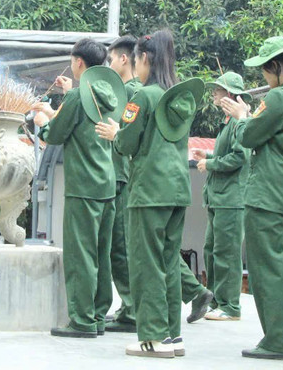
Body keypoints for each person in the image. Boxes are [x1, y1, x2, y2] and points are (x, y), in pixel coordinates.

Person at [96, 31, 204, 359]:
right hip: (177, 191)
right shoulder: (179, 99)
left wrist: (117, 133)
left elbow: (129, 144)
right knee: (170, 263)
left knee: (146, 264)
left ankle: (153, 338)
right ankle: (172, 336)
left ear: (145, 58)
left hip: (148, 191)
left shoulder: (143, 96)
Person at [229, 36, 283, 361]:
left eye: (264, 70)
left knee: (268, 270)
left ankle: (277, 339)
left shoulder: (278, 97)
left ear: (276, 66)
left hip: (268, 193)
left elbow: (250, 135)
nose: (263, 77)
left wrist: (242, 116)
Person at [32, 38, 125, 338]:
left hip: (83, 186)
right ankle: (98, 315)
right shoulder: (111, 93)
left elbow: (56, 134)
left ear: (79, 63)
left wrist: (43, 121)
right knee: (100, 252)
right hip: (107, 184)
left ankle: (82, 320)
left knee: (81, 254)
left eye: (72, 60)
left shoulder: (76, 97)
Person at [190, 71, 251, 321]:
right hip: (218, 197)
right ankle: (216, 300)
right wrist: (209, 156)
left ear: (229, 94)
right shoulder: (228, 123)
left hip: (231, 199)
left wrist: (211, 165)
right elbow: (229, 155)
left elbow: (240, 157)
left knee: (227, 253)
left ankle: (231, 306)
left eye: (218, 89)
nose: (213, 93)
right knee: (212, 250)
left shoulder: (239, 122)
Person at [104, 35, 143, 333]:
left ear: (124, 59)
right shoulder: (126, 91)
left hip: (123, 176)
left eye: (111, 59)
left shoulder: (132, 93)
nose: (110, 64)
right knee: (120, 246)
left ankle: (131, 309)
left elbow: (127, 137)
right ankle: (128, 306)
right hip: (119, 175)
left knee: (121, 247)